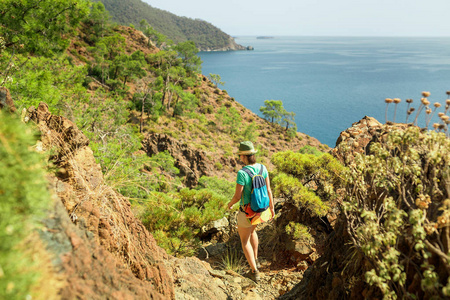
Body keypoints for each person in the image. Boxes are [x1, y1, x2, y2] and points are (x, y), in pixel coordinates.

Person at [227, 141, 275, 282]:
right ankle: (255, 260)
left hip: (247, 211)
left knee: (244, 240)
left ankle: (254, 272)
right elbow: (268, 190)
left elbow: (237, 196)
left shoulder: (242, 173)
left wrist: (229, 204)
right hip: (260, 210)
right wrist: (272, 208)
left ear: (244, 156)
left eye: (240, 155)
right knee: (253, 232)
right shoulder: (262, 168)